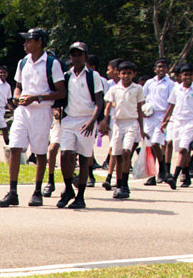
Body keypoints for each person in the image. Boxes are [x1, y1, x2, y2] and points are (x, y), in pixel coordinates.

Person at [0, 29, 66, 208]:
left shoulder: (51, 63)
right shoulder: (23, 62)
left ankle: (37, 191)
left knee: (40, 152)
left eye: (29, 40)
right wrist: (16, 96)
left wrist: (36, 98)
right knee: (14, 147)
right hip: (23, 110)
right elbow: (18, 86)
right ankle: (12, 191)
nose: (25, 44)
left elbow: (61, 91)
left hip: (41, 111)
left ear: (39, 42)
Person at [55, 42, 103, 210]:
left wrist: (92, 121)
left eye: (79, 54)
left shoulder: (93, 76)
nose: (76, 58)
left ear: (85, 57)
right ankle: (68, 188)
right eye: (73, 54)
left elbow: (99, 101)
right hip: (69, 119)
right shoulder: (66, 76)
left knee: (84, 158)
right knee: (65, 154)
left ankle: (80, 196)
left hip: (86, 120)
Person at [104, 58, 144, 199]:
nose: (126, 76)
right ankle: (119, 183)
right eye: (123, 73)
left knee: (127, 151)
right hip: (117, 123)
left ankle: (125, 184)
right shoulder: (114, 89)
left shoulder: (138, 89)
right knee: (118, 154)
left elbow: (139, 110)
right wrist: (105, 120)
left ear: (134, 74)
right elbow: (108, 106)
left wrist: (142, 129)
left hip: (131, 123)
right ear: (118, 74)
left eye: (129, 73)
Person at [164, 64, 193, 187]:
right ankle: (187, 176)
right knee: (180, 150)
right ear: (181, 76)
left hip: (191, 122)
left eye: (190, 74)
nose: (187, 77)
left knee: (184, 149)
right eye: (185, 75)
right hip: (177, 121)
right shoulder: (176, 89)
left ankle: (175, 176)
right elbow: (171, 105)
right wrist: (165, 120)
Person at [141, 56, 175, 186]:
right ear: (155, 69)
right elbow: (143, 98)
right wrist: (144, 110)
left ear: (167, 69)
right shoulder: (150, 82)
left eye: (164, 67)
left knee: (156, 143)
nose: (161, 69)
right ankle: (152, 175)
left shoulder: (170, 84)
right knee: (149, 147)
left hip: (162, 116)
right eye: (159, 67)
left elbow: (171, 103)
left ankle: (163, 169)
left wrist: (166, 119)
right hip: (149, 116)